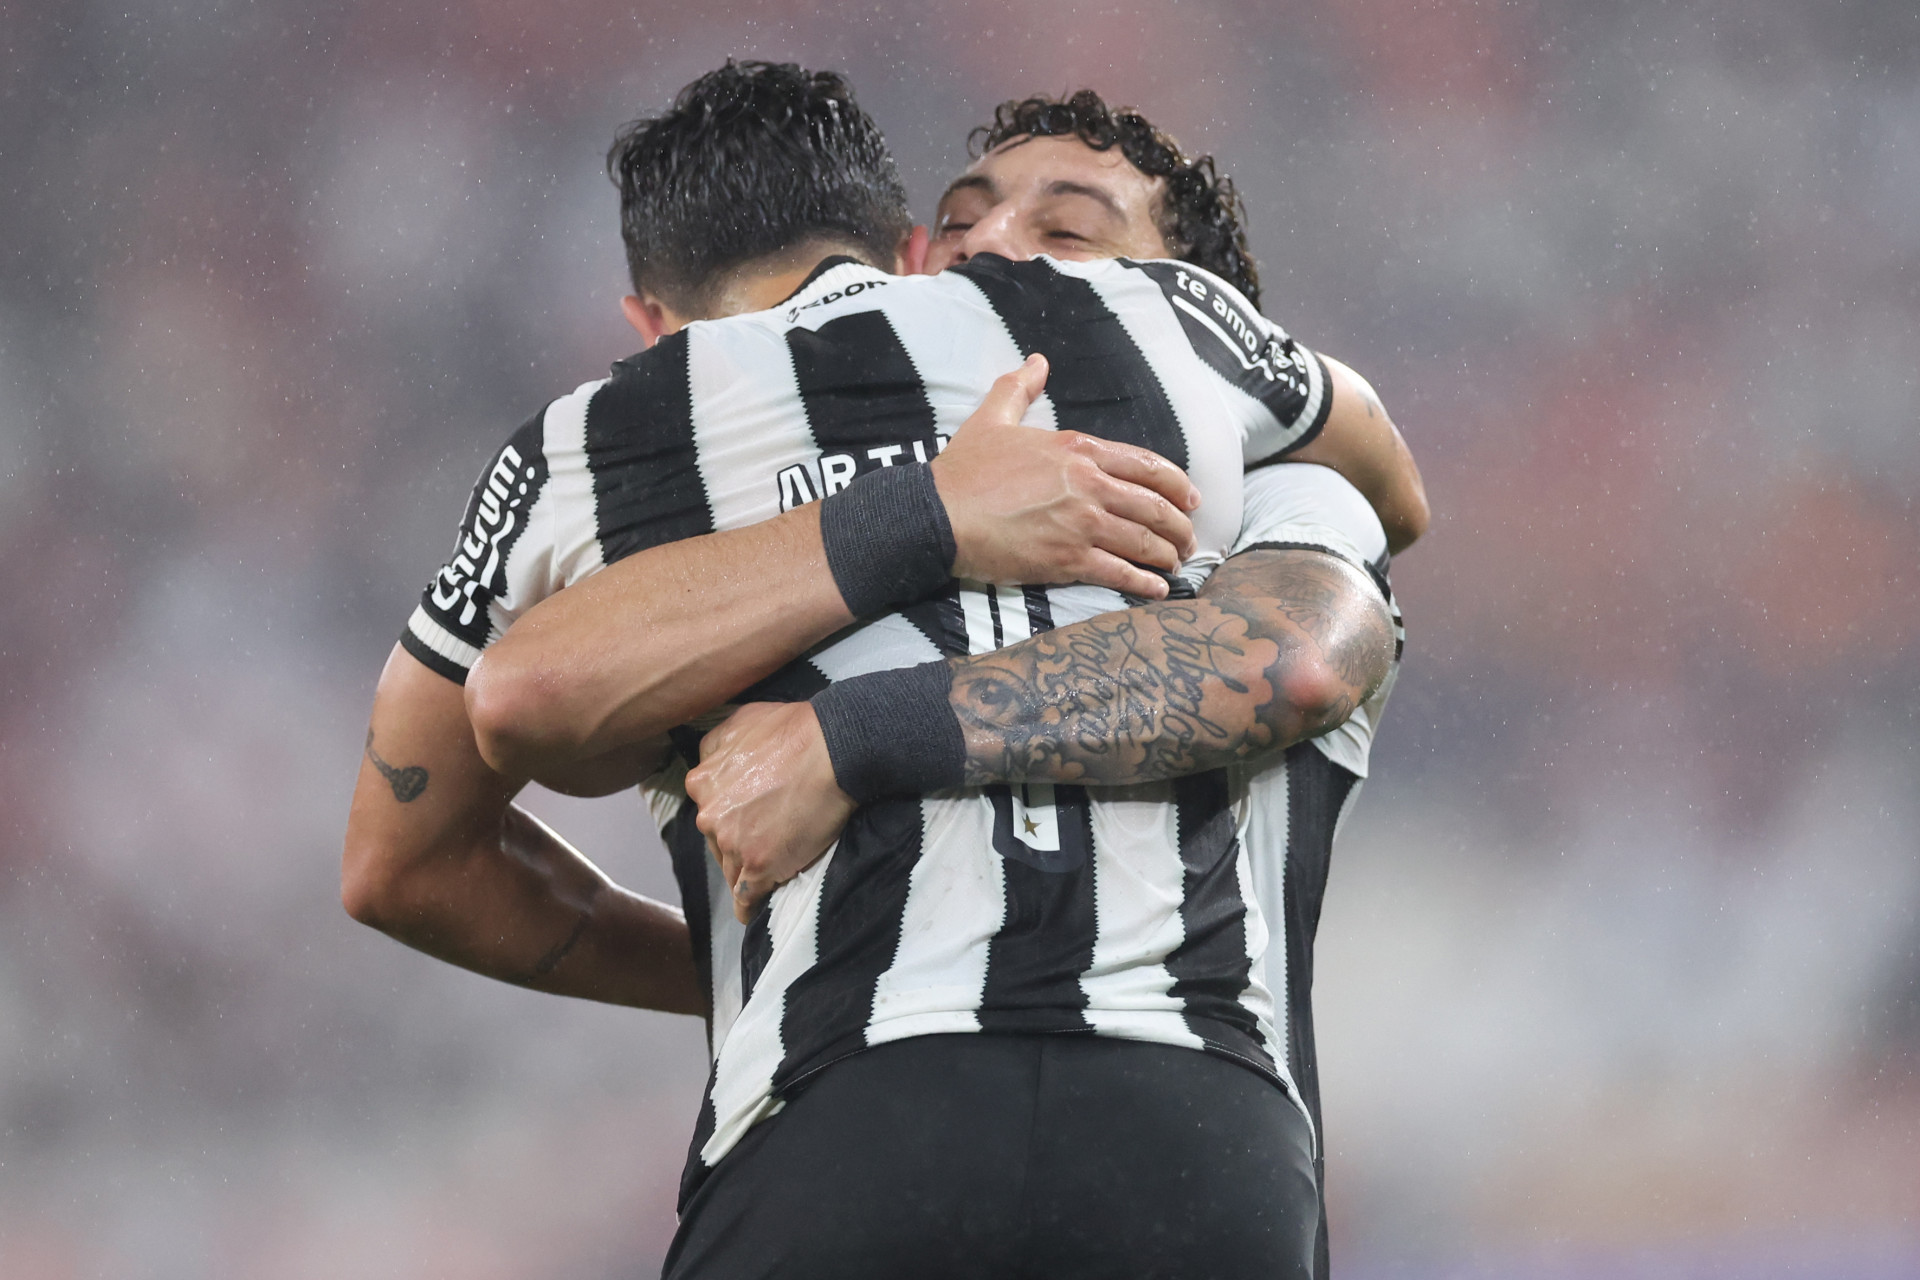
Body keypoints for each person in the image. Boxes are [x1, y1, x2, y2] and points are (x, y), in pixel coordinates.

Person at [344, 65, 1420, 1278]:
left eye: (1065, 230)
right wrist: (925, 510)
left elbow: (1288, 655)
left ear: (645, 313)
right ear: (911, 251)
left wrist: (857, 734)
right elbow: (522, 698)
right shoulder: (1163, 355)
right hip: (1184, 1149)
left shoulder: (598, 440)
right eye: (967, 224)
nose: (1000, 249)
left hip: (867, 1133)